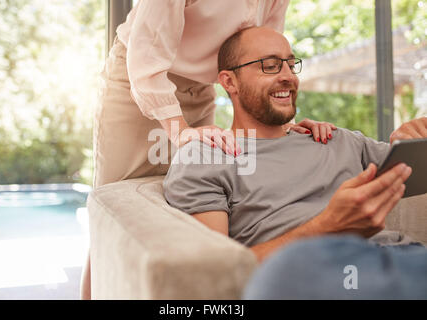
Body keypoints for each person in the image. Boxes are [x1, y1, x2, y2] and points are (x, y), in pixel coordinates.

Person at [83, 0, 338, 300]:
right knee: (117, 216)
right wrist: (180, 131)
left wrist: (283, 123)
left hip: (201, 87)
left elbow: (262, 55)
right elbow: (146, 53)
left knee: (188, 196)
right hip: (139, 77)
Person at [163, 26, 427, 299]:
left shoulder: (335, 138)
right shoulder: (206, 157)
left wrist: (414, 138)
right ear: (229, 82)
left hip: (408, 259)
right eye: (271, 66)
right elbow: (216, 274)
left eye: (291, 64)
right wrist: (328, 226)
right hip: (320, 276)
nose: (288, 76)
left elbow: (412, 171)